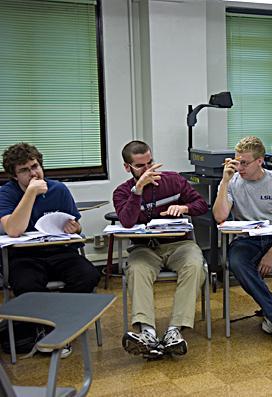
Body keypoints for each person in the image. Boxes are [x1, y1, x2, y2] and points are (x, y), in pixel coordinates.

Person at [0, 143, 101, 358]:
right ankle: (44, 330)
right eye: (24, 170)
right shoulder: (6, 193)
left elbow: (76, 225)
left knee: (89, 275)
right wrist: (30, 194)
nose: (32, 173)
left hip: (60, 251)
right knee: (26, 285)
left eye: (34, 166)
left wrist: (76, 228)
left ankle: (58, 325)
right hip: (24, 256)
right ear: (14, 175)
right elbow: (14, 229)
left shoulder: (59, 189)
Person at [113, 140, 208, 359]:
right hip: (145, 249)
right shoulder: (122, 192)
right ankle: (148, 333)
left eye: (151, 163)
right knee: (136, 270)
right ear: (127, 167)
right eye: (140, 166)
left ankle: (175, 331)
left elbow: (201, 204)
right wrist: (137, 190)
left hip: (179, 245)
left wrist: (184, 207)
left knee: (195, 266)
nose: (148, 170)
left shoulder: (173, 181)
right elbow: (127, 221)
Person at [213, 136, 272, 345]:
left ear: (260, 161)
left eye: (245, 163)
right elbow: (220, 217)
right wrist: (224, 181)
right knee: (237, 262)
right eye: (237, 161)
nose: (240, 167)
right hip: (246, 241)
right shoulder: (232, 182)